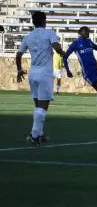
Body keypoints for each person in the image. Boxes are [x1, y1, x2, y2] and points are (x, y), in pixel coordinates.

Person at [16, 11, 66, 146]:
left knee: (38, 105)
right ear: (44, 20)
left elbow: (19, 54)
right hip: (45, 74)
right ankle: (33, 135)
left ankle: (39, 134)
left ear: (33, 22)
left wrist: (19, 69)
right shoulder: (49, 33)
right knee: (43, 107)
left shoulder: (28, 36)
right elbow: (56, 47)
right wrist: (63, 53)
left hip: (33, 74)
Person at [63, 26, 97, 122]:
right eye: (86, 32)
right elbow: (65, 57)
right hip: (88, 72)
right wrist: (68, 70)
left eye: (88, 32)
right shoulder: (75, 44)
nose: (88, 33)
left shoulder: (89, 42)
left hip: (96, 70)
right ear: (80, 33)